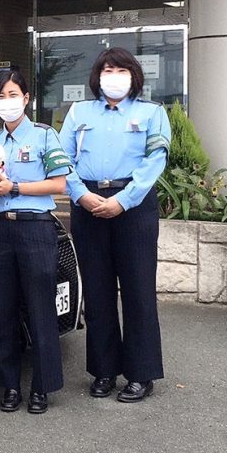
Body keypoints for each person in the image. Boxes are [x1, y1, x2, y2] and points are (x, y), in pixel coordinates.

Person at [58, 48, 170, 403]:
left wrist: (124, 200)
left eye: (122, 70)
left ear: (134, 76)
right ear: (97, 76)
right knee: (97, 291)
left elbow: (155, 161)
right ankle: (103, 371)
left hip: (134, 206)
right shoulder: (79, 112)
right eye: (108, 70)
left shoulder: (152, 113)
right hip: (88, 203)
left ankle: (140, 373)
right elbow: (61, 159)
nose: (114, 76)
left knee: (138, 290)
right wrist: (81, 195)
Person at [0, 67, 73, 414]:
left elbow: (59, 184)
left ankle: (41, 387)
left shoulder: (45, 136)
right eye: (1, 96)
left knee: (40, 309)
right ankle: (9, 385)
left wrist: (14, 187)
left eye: (13, 95)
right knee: (1, 310)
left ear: (26, 98)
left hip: (35, 229)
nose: (7, 102)